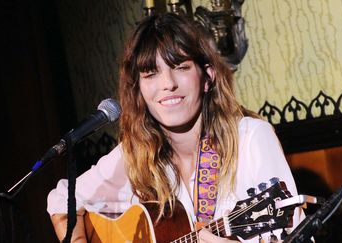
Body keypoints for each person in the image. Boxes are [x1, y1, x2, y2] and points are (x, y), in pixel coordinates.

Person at [47, 13, 305, 243]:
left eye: (180, 67)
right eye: (150, 74)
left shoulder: (251, 139)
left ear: (207, 78)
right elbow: (62, 200)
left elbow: (299, 235)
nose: (167, 84)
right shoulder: (133, 155)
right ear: (139, 89)